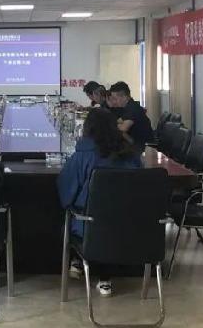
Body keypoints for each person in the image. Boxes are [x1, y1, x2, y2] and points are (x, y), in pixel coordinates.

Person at [57, 107, 142, 297]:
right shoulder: (130, 155)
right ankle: (104, 278)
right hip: (128, 227)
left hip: (89, 227)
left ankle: (77, 260)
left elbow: (66, 191)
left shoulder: (83, 155)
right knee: (108, 222)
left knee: (70, 215)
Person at [108, 81, 154, 152]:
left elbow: (123, 128)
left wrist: (112, 125)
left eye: (115, 98)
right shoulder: (128, 106)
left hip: (143, 147)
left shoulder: (132, 108)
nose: (114, 101)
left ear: (124, 97)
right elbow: (118, 121)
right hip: (136, 143)